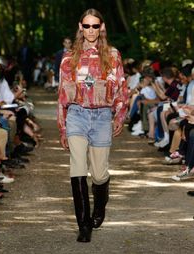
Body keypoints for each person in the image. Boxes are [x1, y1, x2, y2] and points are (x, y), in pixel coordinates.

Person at [57, 8, 128, 242]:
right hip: (76, 114)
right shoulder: (69, 57)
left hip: (101, 116)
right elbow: (62, 95)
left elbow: (121, 88)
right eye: (86, 26)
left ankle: (100, 205)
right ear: (80, 27)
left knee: (99, 174)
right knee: (77, 167)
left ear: (102, 27)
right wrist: (63, 128)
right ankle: (84, 224)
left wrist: (119, 116)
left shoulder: (113, 55)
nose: (90, 30)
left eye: (95, 26)